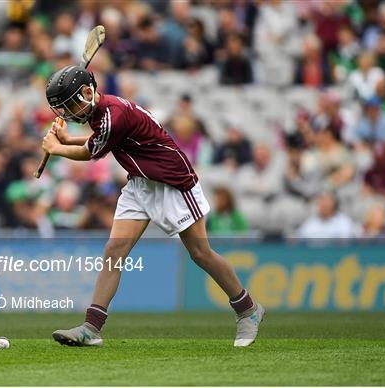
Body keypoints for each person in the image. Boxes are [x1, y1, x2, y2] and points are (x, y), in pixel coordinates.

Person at [41, 66, 265, 347]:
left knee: (200, 253)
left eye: (70, 105)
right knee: (114, 251)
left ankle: (248, 309)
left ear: (88, 92)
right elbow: (99, 140)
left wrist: (56, 148)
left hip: (172, 183)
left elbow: (92, 152)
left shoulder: (113, 114)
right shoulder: (104, 114)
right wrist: (65, 140)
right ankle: (91, 328)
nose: (69, 113)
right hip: (140, 183)